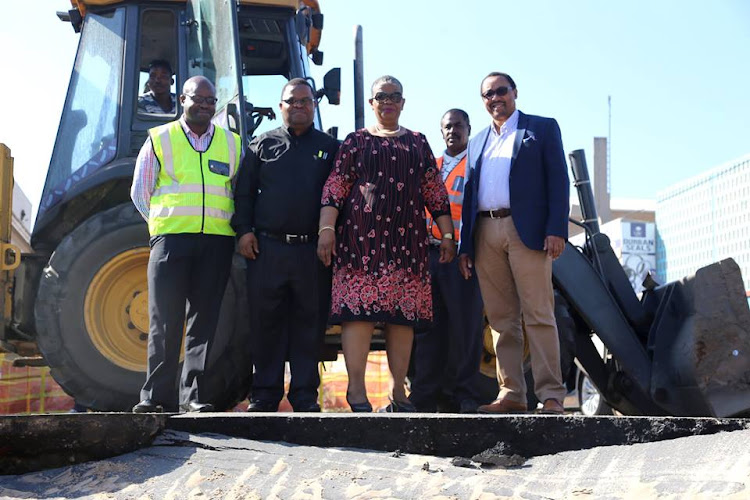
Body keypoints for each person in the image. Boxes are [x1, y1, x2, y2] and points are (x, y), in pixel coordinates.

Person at [317, 75, 455, 413]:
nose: (388, 101)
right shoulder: (355, 142)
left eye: (395, 96)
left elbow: (434, 192)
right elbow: (336, 187)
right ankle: (357, 394)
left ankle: (399, 395)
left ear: (403, 103)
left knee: (402, 318)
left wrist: (448, 234)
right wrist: (326, 229)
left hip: (407, 244)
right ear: (371, 103)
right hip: (359, 243)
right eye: (382, 96)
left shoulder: (419, 143)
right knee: (358, 317)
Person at [458, 72, 569, 415]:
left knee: (538, 314)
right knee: (501, 320)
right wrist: (465, 246)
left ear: (514, 92)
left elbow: (558, 180)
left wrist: (556, 229)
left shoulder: (542, 128)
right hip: (485, 233)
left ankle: (551, 395)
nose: (495, 98)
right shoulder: (476, 142)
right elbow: (469, 193)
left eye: (501, 91)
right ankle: (512, 394)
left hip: (529, 232)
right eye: (488, 94)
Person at [131, 76, 241, 413]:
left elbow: (238, 192)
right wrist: (164, 226)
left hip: (217, 243)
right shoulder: (160, 139)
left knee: (204, 323)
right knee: (165, 320)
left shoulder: (232, 143)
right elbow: (140, 192)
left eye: (211, 100)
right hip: (171, 243)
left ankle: (193, 396)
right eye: (199, 98)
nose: (206, 105)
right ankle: (155, 398)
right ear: (183, 100)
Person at [233, 78, 339, 412]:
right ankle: (265, 394)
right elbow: (244, 194)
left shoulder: (330, 148)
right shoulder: (260, 145)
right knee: (267, 323)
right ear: (281, 106)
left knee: (309, 324)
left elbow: (339, 196)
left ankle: (305, 396)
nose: (299, 106)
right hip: (267, 250)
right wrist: (244, 232)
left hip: (313, 251)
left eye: (305, 101)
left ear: (314, 105)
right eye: (292, 101)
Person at [408, 109, 485, 414]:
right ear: (441, 132)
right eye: (447, 127)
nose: (453, 131)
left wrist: (467, 249)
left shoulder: (477, 165)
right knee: (427, 328)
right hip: (428, 255)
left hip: (460, 255)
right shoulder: (433, 167)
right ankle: (425, 393)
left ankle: (465, 393)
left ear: (469, 128)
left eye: (458, 126)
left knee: (465, 327)